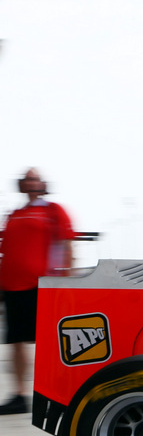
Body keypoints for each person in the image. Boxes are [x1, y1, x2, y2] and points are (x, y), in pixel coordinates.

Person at [0, 168, 76, 414]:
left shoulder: (53, 210)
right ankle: (20, 395)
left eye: (33, 178)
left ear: (42, 184)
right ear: (21, 185)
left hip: (41, 286)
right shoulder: (14, 215)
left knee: (52, 343)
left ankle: (61, 392)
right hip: (12, 287)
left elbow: (66, 246)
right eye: (26, 179)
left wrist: (65, 281)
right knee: (16, 342)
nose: (29, 182)